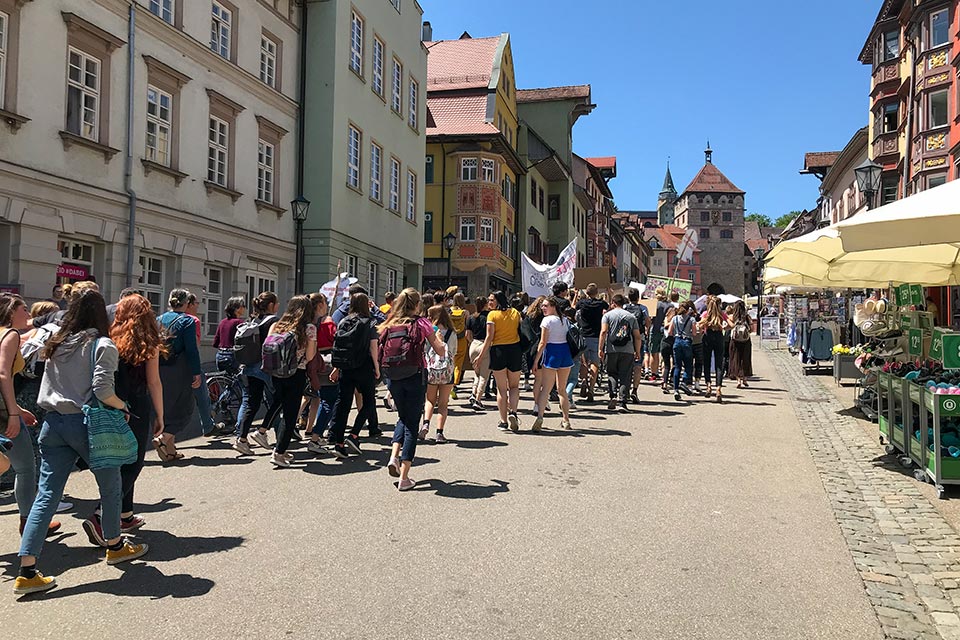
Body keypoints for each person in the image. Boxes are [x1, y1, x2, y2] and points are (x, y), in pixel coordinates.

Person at [16, 290, 148, 596]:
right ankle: (114, 545)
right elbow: (103, 390)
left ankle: (27, 569)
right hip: (87, 425)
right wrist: (122, 406)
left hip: (53, 423)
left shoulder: (57, 342)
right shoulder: (103, 344)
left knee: (47, 494)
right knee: (111, 485)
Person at [83, 294, 165, 546]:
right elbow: (153, 381)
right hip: (136, 406)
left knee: (118, 461)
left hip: (110, 403)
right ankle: (100, 514)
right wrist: (161, 415)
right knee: (133, 462)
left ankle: (125, 514)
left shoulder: (107, 338)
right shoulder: (147, 342)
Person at [1, 294, 57, 538]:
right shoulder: (10, 334)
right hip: (3, 413)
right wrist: (13, 412)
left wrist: (18, 409)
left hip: (6, 407)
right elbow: (3, 374)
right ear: (11, 312)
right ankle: (30, 522)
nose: (28, 314)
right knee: (25, 467)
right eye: (24, 309)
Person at [381, 288, 446, 491]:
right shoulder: (422, 323)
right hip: (414, 374)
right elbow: (439, 350)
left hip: (392, 375)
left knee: (402, 416)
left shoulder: (390, 323)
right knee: (412, 423)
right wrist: (441, 341)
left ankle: (393, 456)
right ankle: (404, 477)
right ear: (417, 305)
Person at [264, 295, 319, 467]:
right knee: (290, 415)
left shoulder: (276, 325)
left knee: (280, 406)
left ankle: (280, 446)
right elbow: (310, 357)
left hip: (276, 372)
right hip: (296, 373)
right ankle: (279, 453)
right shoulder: (308, 328)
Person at [328, 293, 379, 459]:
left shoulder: (343, 321)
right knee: (369, 402)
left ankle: (338, 442)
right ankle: (354, 434)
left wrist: (336, 367)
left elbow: (337, 345)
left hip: (346, 367)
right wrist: (377, 368)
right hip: (364, 366)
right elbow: (373, 348)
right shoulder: (370, 322)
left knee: (343, 404)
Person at [156, 289, 201, 460]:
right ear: (186, 303)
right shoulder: (187, 321)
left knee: (167, 408)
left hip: (160, 367)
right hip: (180, 369)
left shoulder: (158, 319)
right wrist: (196, 372)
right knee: (184, 408)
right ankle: (163, 439)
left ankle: (170, 450)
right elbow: (191, 350)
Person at [235, 292, 279, 453]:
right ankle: (266, 433)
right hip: (265, 366)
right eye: (276, 303)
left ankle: (242, 438)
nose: (278, 306)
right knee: (278, 400)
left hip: (249, 365)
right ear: (271, 305)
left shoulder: (253, 320)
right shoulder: (273, 321)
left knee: (251, 402)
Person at [474, 291, 523, 432]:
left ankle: (503, 421)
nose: (489, 302)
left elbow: (489, 338)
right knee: (514, 386)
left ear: (497, 301)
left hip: (498, 351)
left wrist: (481, 355)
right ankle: (513, 411)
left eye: (491, 300)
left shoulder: (492, 315)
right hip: (515, 350)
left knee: (502, 389)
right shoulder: (515, 312)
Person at [531, 296, 573, 430]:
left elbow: (542, 343)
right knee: (562, 389)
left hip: (551, 353)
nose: (543, 308)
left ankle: (540, 418)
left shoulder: (547, 320)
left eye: (546, 305)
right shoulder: (565, 320)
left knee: (546, 389)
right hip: (565, 353)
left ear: (553, 306)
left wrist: (536, 361)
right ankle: (566, 420)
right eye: (542, 306)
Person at [304, 293, 337, 455]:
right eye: (325, 302)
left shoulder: (306, 322)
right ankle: (315, 437)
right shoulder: (326, 322)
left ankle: (315, 432)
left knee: (320, 399)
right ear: (319, 305)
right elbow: (335, 340)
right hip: (327, 361)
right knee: (328, 401)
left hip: (312, 364)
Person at [599, 294, 643, 412]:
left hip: (611, 349)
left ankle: (613, 395)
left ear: (613, 302)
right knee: (625, 375)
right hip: (627, 350)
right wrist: (637, 351)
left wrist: (600, 348)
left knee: (612, 373)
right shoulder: (631, 317)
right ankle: (622, 401)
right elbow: (637, 336)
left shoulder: (607, 316)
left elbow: (603, 332)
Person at [422, 304, 458, 443]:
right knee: (443, 403)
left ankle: (425, 424)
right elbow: (454, 352)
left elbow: (425, 349)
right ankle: (439, 433)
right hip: (447, 371)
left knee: (430, 400)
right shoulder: (451, 333)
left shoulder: (429, 332)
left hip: (431, 370)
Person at [575, 284, 609, 402]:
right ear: (596, 292)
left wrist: (576, 294)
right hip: (596, 336)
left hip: (584, 335)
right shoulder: (600, 304)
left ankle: (584, 381)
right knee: (595, 363)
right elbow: (608, 306)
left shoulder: (582, 303)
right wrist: (609, 292)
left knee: (583, 362)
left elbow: (574, 307)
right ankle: (591, 388)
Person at [622, 288, 650, 403]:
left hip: (626, 339)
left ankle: (625, 390)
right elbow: (648, 322)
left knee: (626, 366)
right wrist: (647, 330)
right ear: (638, 297)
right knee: (637, 365)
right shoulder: (643, 309)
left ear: (628, 297)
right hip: (640, 338)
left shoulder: (624, 308)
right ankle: (635, 390)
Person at [522, 296, 549, 415]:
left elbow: (525, 334)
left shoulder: (529, 318)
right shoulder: (548, 318)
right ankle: (543, 400)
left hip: (532, 349)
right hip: (547, 348)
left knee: (537, 379)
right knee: (546, 380)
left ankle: (537, 404)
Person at [699, 296, 728, 403]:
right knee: (719, 364)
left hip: (707, 337)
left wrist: (704, 326)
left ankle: (708, 386)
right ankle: (718, 389)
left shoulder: (706, 314)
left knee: (706, 362)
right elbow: (732, 324)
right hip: (719, 337)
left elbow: (699, 325)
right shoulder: (722, 314)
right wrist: (724, 327)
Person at [466, 296, 490, 411]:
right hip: (484, 344)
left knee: (476, 373)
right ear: (485, 304)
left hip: (473, 345)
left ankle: (473, 393)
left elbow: (467, 335)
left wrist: (471, 343)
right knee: (484, 376)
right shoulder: (489, 317)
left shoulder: (471, 317)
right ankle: (478, 399)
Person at [669, 301, 697, 402]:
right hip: (686, 342)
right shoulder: (692, 319)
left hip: (677, 341)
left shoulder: (675, 318)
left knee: (677, 366)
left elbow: (669, 332)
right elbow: (694, 333)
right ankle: (684, 382)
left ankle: (676, 390)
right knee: (688, 365)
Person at [213, 296, 247, 375]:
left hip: (220, 355)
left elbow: (215, 342)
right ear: (237, 309)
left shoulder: (222, 322)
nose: (244, 308)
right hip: (232, 356)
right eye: (243, 306)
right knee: (239, 382)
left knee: (226, 380)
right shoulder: (239, 323)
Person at [727, 300, 754, 388]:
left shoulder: (732, 317)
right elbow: (752, 329)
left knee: (736, 359)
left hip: (735, 341)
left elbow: (728, 327)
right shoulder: (747, 317)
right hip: (746, 341)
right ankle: (745, 378)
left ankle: (738, 380)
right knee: (745, 359)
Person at [448, 293, 469, 400]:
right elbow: (467, 325)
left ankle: (448, 382)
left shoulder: (449, 311)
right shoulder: (465, 312)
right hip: (461, 339)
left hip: (451, 338)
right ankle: (454, 385)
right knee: (458, 363)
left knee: (450, 361)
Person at [659, 306, 677, 393]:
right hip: (672, 342)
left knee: (667, 365)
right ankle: (670, 380)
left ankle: (665, 382)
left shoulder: (666, 318)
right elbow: (666, 326)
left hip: (665, 342)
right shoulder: (675, 320)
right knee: (674, 363)